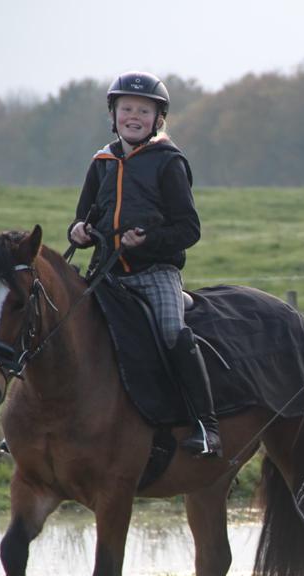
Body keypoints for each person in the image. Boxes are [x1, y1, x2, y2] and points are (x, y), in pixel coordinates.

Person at [68, 71, 220, 457]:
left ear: (158, 119)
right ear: (113, 114)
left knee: (172, 331)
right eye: (126, 109)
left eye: (143, 110)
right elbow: (80, 218)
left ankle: (206, 425)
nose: (133, 116)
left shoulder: (168, 162)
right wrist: (78, 232)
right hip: (107, 275)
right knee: (68, 330)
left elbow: (189, 228)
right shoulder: (100, 162)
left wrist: (148, 241)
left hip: (156, 273)